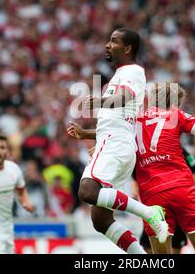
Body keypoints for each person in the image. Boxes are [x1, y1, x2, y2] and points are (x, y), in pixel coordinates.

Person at [67, 28, 168, 254]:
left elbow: (125, 97)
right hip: (117, 142)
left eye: (113, 41)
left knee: (87, 191)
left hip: (115, 144)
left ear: (127, 48)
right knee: (100, 219)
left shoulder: (132, 71)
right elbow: (119, 118)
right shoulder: (121, 74)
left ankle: (149, 213)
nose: (107, 45)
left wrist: (101, 101)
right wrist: (86, 134)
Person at [135, 83, 195, 253]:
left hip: (151, 194)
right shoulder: (174, 115)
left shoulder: (134, 120)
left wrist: (86, 135)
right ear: (176, 103)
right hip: (180, 187)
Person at [138, 147, 195, 254]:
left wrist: (180, 184)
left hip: (176, 200)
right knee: (149, 243)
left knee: (176, 244)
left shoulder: (180, 150)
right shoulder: (145, 151)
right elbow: (136, 175)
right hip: (155, 199)